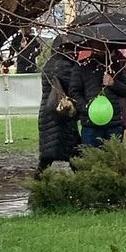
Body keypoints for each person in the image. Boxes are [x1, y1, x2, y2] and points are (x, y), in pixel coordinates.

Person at [37, 41, 82, 176]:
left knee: (47, 154)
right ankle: (85, 182)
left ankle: (36, 185)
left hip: (47, 114)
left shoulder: (49, 65)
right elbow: (73, 88)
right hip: (63, 114)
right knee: (74, 152)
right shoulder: (66, 66)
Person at [74, 46, 126, 147]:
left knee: (113, 157)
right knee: (91, 157)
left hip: (113, 123)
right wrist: (86, 107)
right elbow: (74, 92)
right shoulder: (82, 66)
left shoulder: (116, 65)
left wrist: (113, 83)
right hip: (90, 124)